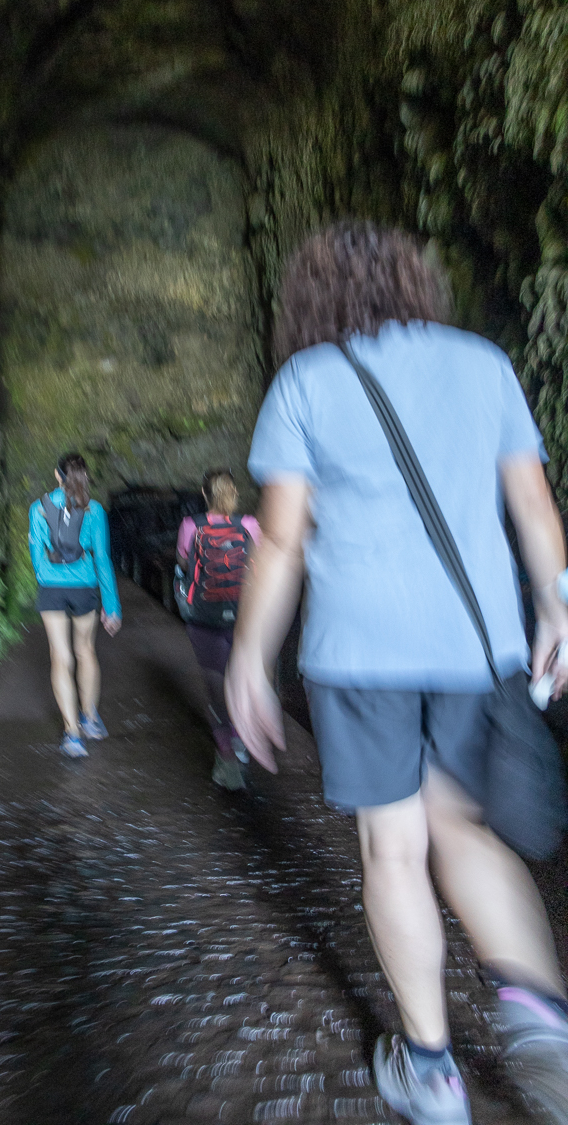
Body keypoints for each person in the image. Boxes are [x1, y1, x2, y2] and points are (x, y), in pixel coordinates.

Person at [225, 222, 568, 1125]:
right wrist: (558, 608)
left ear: (310, 297)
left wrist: (249, 662)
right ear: (418, 284)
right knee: (466, 833)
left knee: (395, 845)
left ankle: (432, 1075)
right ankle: (545, 1031)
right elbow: (532, 502)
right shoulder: (484, 363)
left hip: (360, 653)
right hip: (473, 643)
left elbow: (282, 542)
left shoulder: (305, 381)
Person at [29, 453, 122, 758]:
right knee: (86, 651)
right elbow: (103, 560)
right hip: (85, 588)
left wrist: (50, 576)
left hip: (52, 589)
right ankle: (91, 720)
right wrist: (112, 606)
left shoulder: (39, 509)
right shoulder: (94, 510)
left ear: (58, 475)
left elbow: (37, 559)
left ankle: (72, 735)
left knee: (61, 656)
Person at [176, 469, 260, 790]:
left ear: (203, 492)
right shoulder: (249, 525)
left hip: (204, 617)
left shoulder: (190, 526)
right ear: (235, 492)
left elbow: (183, 563)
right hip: (243, 616)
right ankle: (241, 742)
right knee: (240, 680)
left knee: (215, 687)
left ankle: (225, 756)